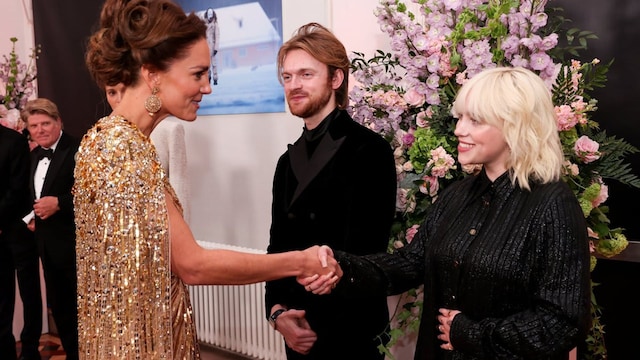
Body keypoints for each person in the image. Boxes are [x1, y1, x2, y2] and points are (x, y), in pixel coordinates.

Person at [77, 0, 340, 358]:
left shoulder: (108, 139)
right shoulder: (123, 149)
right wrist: (302, 261)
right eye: (197, 74)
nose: (207, 88)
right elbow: (193, 265)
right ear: (153, 73)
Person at [306, 66, 592, 359]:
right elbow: (410, 263)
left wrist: (469, 334)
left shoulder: (553, 204)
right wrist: (343, 267)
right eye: (460, 118)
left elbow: (564, 322)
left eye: (475, 120)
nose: (459, 129)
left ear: (515, 126)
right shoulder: (457, 194)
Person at [265, 23, 397, 359]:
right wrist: (278, 313)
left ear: (335, 80)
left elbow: (370, 252)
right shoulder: (286, 161)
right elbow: (277, 247)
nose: (294, 85)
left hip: (351, 333)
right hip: (297, 331)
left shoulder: (370, 150)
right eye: (288, 76)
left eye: (306, 74)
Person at [20, 98, 80, 360]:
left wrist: (60, 203)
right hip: (47, 244)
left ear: (59, 123)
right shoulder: (33, 156)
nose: (40, 129)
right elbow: (29, 195)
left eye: (46, 123)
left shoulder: (79, 149)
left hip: (77, 245)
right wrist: (29, 217)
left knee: (82, 308)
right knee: (60, 307)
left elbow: (95, 194)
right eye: (34, 125)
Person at [106, 83, 191, 222]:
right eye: (112, 93)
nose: (119, 99)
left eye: (125, 91)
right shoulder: (103, 136)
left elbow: (180, 189)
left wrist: (184, 236)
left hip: (162, 229)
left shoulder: (169, 130)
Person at [0, 124, 41, 360]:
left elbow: (17, 189)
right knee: (1, 294)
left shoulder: (13, 141)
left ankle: (29, 348)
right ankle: (4, 347)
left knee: (29, 292)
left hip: (19, 230)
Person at [204, 7, 220, 86]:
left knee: (214, 64)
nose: (210, 18)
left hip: (212, 47)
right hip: (205, 47)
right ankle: (208, 77)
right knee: (207, 64)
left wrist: (216, 48)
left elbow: (217, 36)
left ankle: (215, 78)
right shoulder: (204, 25)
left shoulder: (215, 25)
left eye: (211, 16)